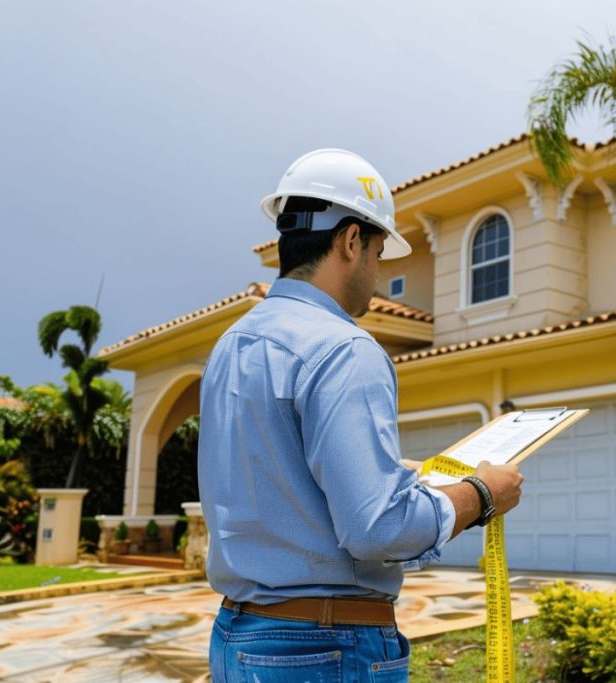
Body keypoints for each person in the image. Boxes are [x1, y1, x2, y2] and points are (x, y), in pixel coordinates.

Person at [198, 148, 524, 682]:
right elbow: (376, 530)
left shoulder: (231, 348)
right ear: (351, 240)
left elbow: (283, 481)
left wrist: (401, 476)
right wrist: (481, 495)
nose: (377, 275)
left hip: (238, 638)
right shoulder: (345, 348)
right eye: (377, 254)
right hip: (325, 648)